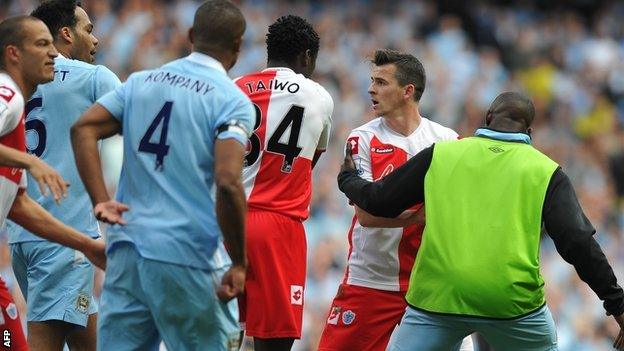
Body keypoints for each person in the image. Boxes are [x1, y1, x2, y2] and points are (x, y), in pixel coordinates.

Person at [337, 91, 624, 351]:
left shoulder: (443, 153)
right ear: (529, 131)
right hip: (511, 305)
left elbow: (379, 200)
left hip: (438, 298)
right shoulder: (546, 171)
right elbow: (577, 242)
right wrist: (617, 304)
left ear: (488, 118)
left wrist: (349, 179)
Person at [70, 1, 254, 349]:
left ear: (190, 36)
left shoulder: (140, 83)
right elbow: (229, 182)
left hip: (126, 251)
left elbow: (83, 129)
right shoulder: (231, 100)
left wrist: (101, 201)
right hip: (186, 254)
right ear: (238, 46)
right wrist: (241, 262)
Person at [318, 49, 473, 351]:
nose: (371, 89)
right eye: (372, 81)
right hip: (371, 279)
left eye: (381, 82)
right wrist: (417, 217)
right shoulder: (361, 138)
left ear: (407, 91)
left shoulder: (446, 140)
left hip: (428, 282)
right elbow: (366, 215)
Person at [7, 2, 120, 350]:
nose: (96, 39)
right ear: (66, 34)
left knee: (88, 338)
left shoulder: (22, 84)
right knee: (45, 339)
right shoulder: (94, 77)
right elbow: (144, 116)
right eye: (88, 29)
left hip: (23, 235)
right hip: (64, 239)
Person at [233, 15, 333, 351]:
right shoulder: (318, 96)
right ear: (306, 56)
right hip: (278, 225)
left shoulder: (234, 88)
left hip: (227, 219)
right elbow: (311, 159)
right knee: (274, 339)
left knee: (223, 332)